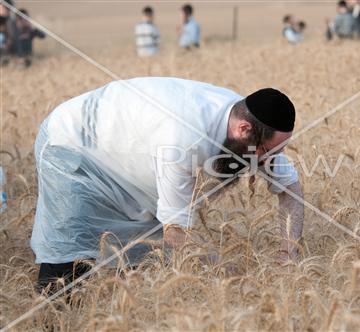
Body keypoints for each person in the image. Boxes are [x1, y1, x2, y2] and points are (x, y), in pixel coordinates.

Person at [31, 77, 304, 294]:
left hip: (124, 155)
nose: (269, 161)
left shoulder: (247, 123)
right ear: (244, 130)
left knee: (140, 258)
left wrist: (287, 254)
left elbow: (291, 189)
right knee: (68, 260)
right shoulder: (183, 137)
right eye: (267, 152)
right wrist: (233, 275)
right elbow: (176, 233)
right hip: (72, 142)